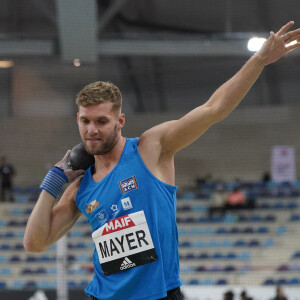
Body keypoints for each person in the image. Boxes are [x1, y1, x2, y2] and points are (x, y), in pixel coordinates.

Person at [23, 21, 300, 300]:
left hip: (160, 295)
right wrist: (53, 182)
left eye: (101, 121)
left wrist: (260, 60)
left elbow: (213, 108)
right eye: (85, 121)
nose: (91, 130)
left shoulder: (151, 148)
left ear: (120, 121)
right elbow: (34, 243)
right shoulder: (80, 187)